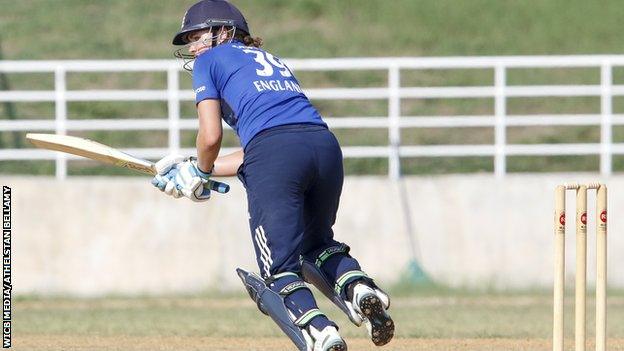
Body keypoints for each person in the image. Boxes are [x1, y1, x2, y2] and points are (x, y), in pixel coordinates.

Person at [152, 1, 394, 350]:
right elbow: (265, 147)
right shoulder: (271, 61)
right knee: (316, 245)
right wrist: (192, 166)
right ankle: (359, 288)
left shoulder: (209, 61)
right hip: (323, 146)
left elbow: (212, 136)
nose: (193, 47)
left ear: (224, 31)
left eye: (198, 36)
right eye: (189, 40)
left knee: (280, 267)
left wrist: (200, 169)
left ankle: (320, 332)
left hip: (276, 154)